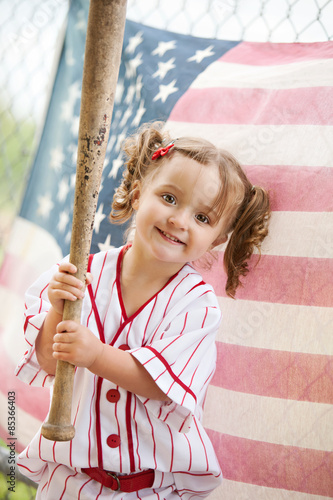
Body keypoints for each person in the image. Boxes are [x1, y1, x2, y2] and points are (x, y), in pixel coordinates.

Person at [15, 121, 270, 499]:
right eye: (169, 198)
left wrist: (96, 354)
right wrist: (57, 310)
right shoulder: (80, 272)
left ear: (217, 239)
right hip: (67, 480)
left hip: (146, 488)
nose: (179, 220)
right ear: (137, 195)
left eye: (202, 218)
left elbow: (160, 386)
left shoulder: (197, 307)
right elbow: (51, 364)